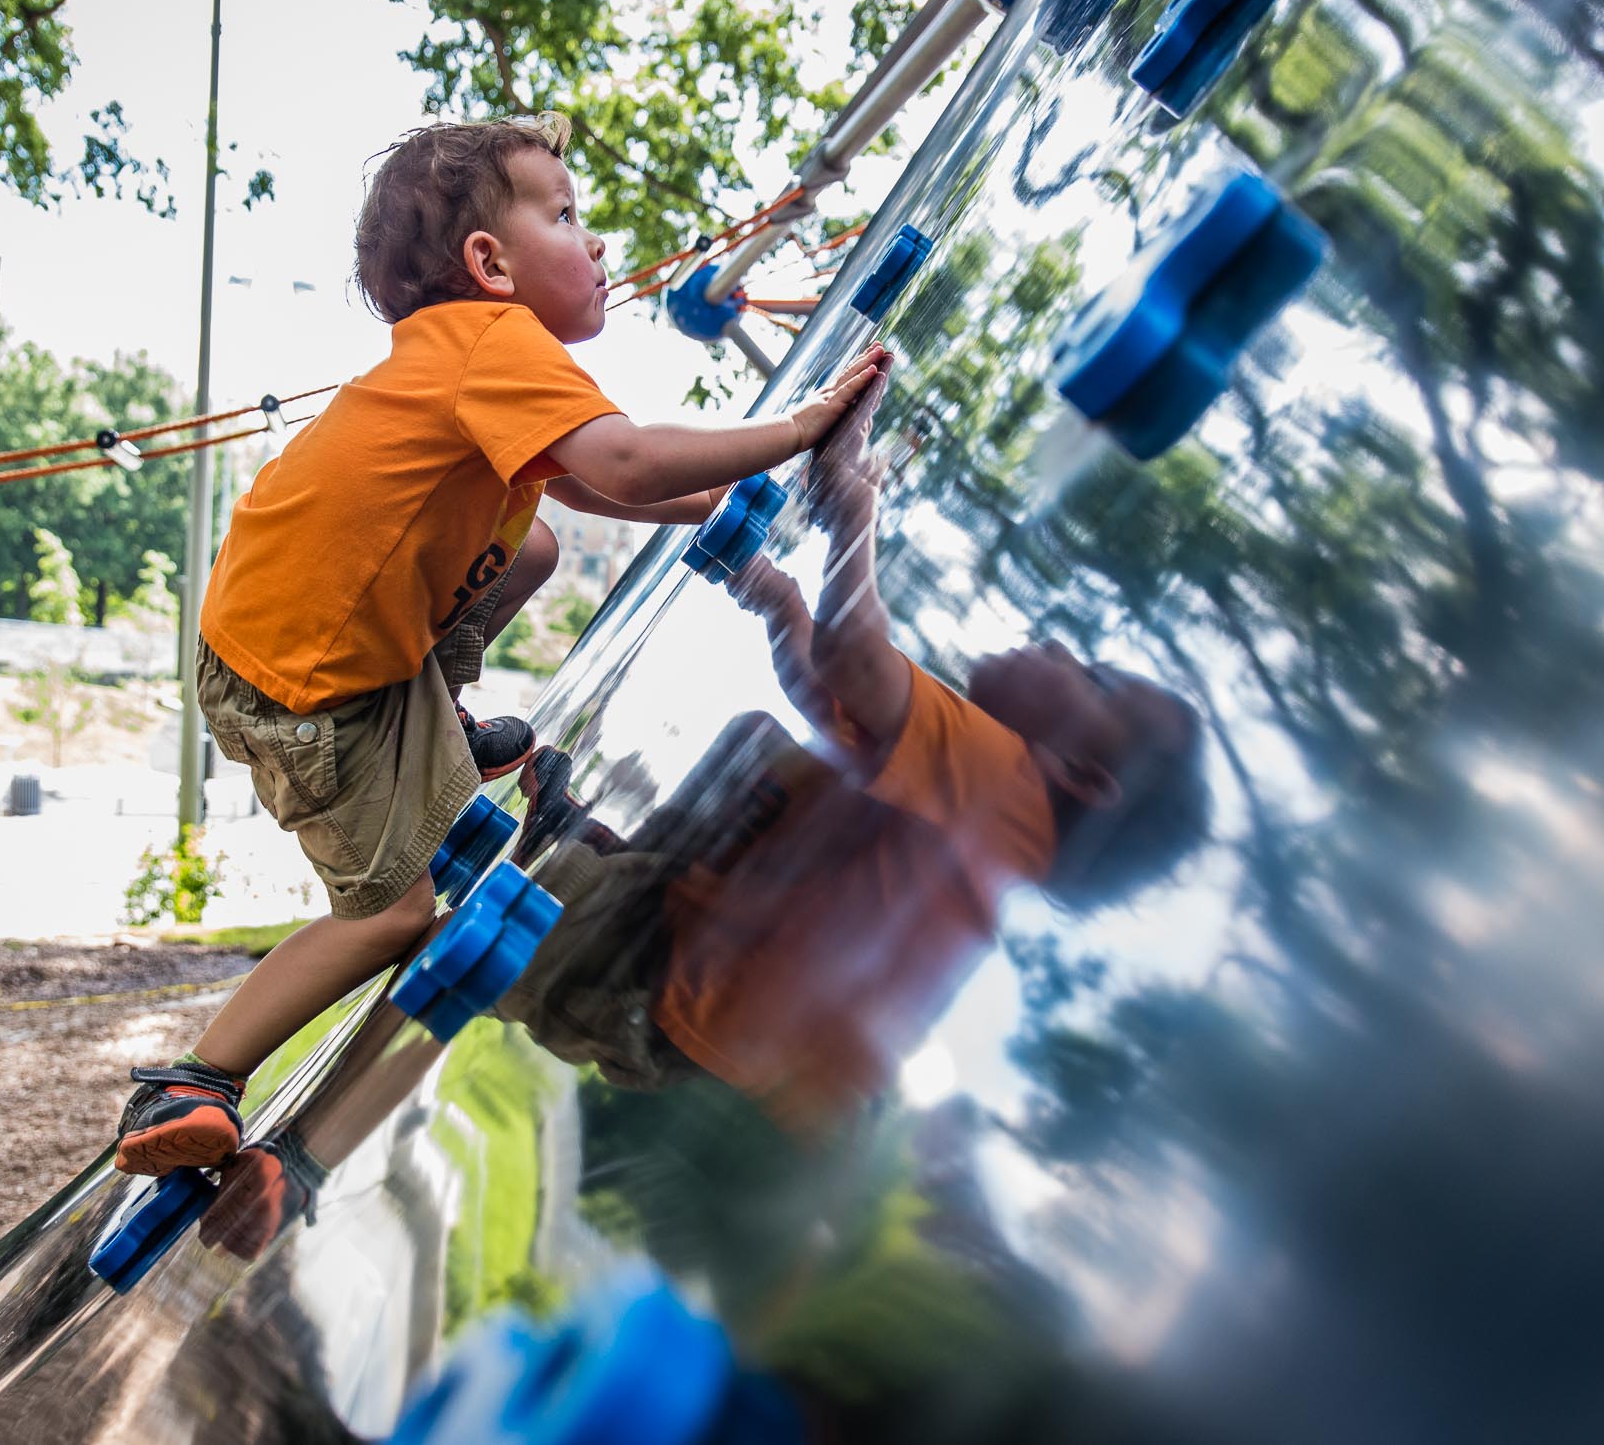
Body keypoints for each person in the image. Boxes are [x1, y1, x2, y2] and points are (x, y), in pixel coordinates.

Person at [114, 112, 884, 1175]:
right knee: (393, 917)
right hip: (302, 693)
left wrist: (746, 492)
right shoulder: (493, 341)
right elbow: (622, 457)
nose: (598, 242)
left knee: (532, 550)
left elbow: (585, 478)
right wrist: (795, 429)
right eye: (566, 217)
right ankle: (191, 1082)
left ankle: (443, 720)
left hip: (318, 644)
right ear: (489, 263)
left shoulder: (465, 357)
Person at [501, 380, 1210, 1135]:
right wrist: (772, 593)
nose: (1064, 648)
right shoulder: (966, 796)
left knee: (491, 910)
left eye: (1093, 678)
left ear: (1081, 777)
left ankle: (510, 871)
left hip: (652, 982)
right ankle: (583, 852)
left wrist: (853, 513)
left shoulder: (1010, 802)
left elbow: (852, 659)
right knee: (770, 750)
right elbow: (821, 684)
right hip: (693, 957)